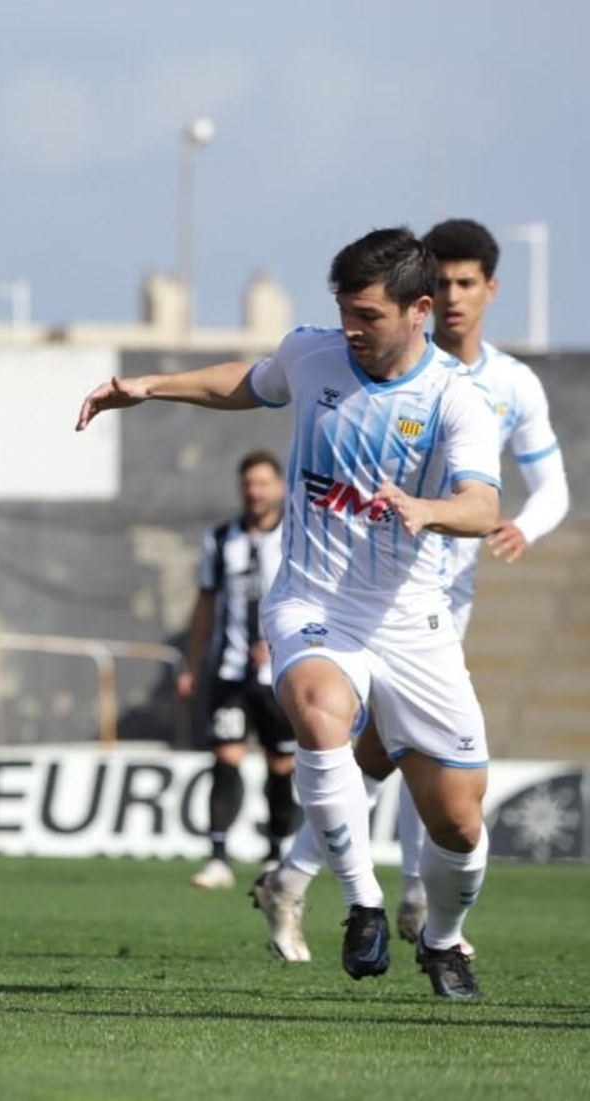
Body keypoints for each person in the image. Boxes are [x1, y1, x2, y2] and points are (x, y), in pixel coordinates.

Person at [76, 228, 501, 1000]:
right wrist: (149, 385)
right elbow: (247, 381)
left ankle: (443, 940)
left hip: (410, 622)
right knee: (316, 706)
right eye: (344, 311)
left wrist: (428, 509)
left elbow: (482, 505)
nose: (350, 329)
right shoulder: (313, 355)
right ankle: (363, 904)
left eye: (368, 315)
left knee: (459, 823)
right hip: (313, 601)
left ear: (419, 310)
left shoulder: (455, 397)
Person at [254, 218, 568, 961]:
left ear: (489, 289)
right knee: (356, 741)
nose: (453, 296)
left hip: (438, 598)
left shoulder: (504, 385)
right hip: (345, 594)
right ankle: (400, 902)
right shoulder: (360, 357)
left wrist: (521, 526)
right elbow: (261, 381)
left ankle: (302, 878)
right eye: (443, 281)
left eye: (466, 283)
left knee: (403, 763)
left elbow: (551, 486)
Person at [178, 451, 300, 891]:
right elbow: (205, 605)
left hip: (279, 675)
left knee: (281, 763)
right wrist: (193, 665)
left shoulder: (296, 537)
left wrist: (284, 642)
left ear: (279, 488)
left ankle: (276, 852)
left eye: (263, 483)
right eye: (248, 483)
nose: (255, 492)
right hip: (229, 674)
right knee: (226, 757)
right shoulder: (220, 539)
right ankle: (217, 857)